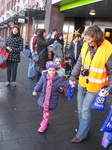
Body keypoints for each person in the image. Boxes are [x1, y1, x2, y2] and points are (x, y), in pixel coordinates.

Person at [69, 25, 112, 143]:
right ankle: (84, 129)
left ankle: (81, 135)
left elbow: (111, 71)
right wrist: (73, 76)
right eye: (86, 39)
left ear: (96, 38)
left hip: (95, 87)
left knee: (85, 110)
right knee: (80, 109)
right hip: (82, 83)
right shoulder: (86, 46)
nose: (86, 41)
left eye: (88, 39)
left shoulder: (108, 48)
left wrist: (110, 88)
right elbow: (79, 62)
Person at [32, 61, 74, 132]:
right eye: (50, 70)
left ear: (56, 71)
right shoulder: (44, 77)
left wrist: (70, 83)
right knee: (44, 110)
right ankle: (45, 120)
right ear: (47, 70)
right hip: (43, 98)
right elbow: (39, 84)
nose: (51, 72)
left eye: (53, 70)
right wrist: (35, 90)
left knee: (46, 111)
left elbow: (64, 84)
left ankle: (44, 123)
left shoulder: (58, 79)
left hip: (51, 99)